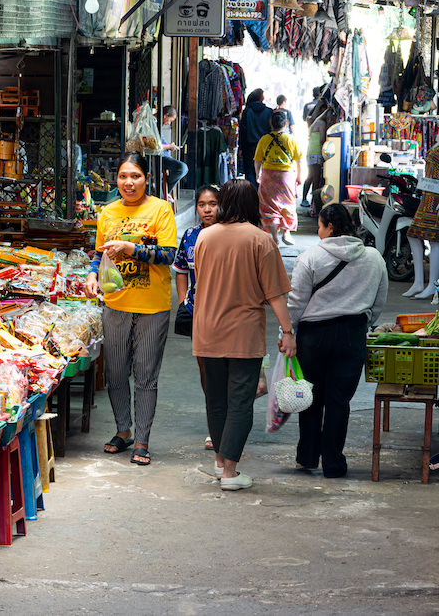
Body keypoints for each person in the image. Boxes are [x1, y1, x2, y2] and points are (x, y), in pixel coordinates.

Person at [192, 179, 295, 491]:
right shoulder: (261, 241)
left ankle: (221, 462)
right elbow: (275, 294)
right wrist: (288, 331)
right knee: (240, 403)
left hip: (206, 331)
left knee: (216, 401)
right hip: (243, 334)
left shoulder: (205, 237)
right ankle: (230, 473)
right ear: (254, 204)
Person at [85, 152, 177, 466]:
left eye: (135, 176)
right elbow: (99, 255)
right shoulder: (107, 213)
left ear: (147, 179)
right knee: (115, 373)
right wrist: (92, 274)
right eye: (123, 176)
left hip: (152, 305)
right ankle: (123, 431)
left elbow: (168, 254)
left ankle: (142, 440)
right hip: (116, 303)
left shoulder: (161, 209)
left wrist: (131, 248)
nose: (128, 182)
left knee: (145, 375)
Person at [288, 204, 387, 478]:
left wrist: (287, 332)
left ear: (330, 226)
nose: (318, 231)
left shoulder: (310, 257)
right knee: (339, 402)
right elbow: (378, 302)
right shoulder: (373, 257)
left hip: (313, 337)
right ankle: (333, 463)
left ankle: (307, 457)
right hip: (352, 335)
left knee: (310, 399)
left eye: (319, 226)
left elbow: (296, 302)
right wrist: (361, 322)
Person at [172, 185, 220, 451]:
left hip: (223, 315)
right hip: (196, 313)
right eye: (202, 204)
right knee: (206, 371)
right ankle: (214, 424)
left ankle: (224, 423)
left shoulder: (226, 235)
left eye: (212, 204)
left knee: (222, 370)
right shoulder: (190, 235)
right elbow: (180, 269)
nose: (207, 209)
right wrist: (182, 301)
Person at [255, 110, 302, 245]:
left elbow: (257, 160)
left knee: (269, 205)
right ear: (286, 124)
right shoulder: (291, 139)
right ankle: (286, 233)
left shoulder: (264, 139)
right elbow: (298, 161)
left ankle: (275, 235)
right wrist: (299, 177)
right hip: (286, 176)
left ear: (271, 123)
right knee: (288, 204)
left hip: (268, 175)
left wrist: (258, 175)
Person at [239, 89, 273, 187]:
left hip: (249, 146)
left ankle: (251, 194)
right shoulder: (269, 111)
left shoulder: (247, 111)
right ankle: (261, 194)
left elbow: (243, 130)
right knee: (263, 170)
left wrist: (241, 147)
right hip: (265, 146)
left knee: (249, 170)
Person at [301, 99, 329, 211]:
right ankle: (314, 206)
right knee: (315, 179)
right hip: (317, 152)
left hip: (311, 152)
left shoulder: (313, 122)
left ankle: (305, 199)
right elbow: (322, 139)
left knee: (311, 176)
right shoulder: (321, 123)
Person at [161, 106, 189, 195]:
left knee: (181, 169)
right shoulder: (153, 124)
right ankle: (163, 190)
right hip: (159, 157)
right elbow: (155, 146)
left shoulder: (157, 125)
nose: (169, 123)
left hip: (164, 156)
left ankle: (164, 191)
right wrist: (169, 146)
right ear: (165, 115)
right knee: (182, 168)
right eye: (170, 120)